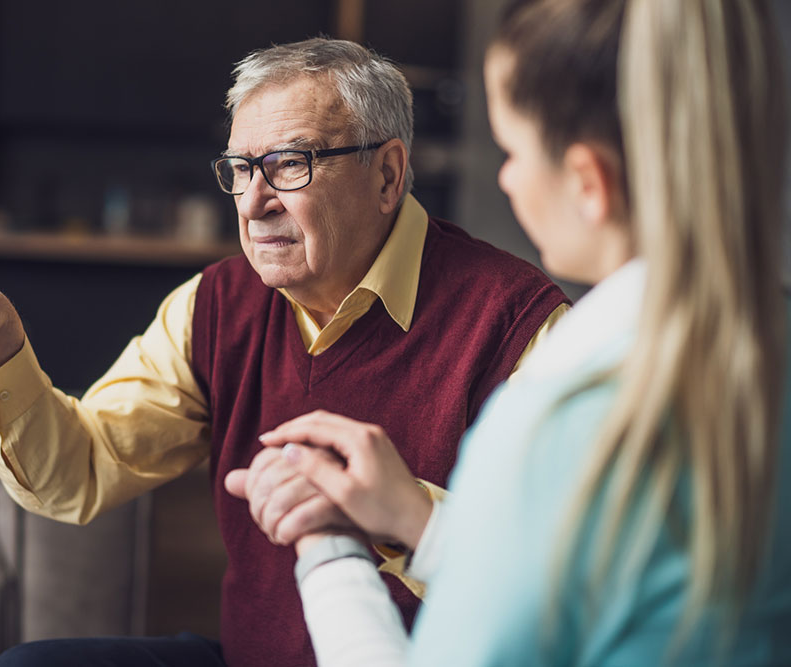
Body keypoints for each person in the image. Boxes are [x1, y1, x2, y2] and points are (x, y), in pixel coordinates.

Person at [0, 38, 569, 667]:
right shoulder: (214, 304)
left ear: (388, 175)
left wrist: (398, 509)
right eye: (240, 168)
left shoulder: (522, 328)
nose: (254, 201)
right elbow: (81, 469)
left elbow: (568, 582)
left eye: (289, 164)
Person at [240, 0, 791, 664]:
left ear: (589, 182)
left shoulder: (563, 413)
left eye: (512, 150)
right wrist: (419, 520)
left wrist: (328, 545)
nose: (506, 177)